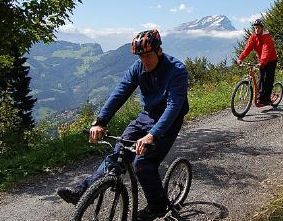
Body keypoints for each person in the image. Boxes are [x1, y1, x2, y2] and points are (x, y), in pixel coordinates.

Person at [56, 29, 189, 221]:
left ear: (159, 51)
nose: (145, 61)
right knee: (118, 153)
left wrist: (152, 135)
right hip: (147, 115)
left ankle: (157, 207)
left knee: (143, 164)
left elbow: (174, 106)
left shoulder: (177, 70)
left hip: (168, 121)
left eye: (148, 55)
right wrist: (100, 121)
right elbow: (120, 92)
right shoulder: (139, 67)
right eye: (140, 56)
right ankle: (82, 192)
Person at [236, 19, 278, 105]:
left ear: (262, 28)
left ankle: (267, 99)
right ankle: (260, 98)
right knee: (261, 79)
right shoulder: (253, 37)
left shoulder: (267, 38)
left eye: (258, 28)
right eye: (255, 28)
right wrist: (240, 58)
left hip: (271, 60)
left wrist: (262, 62)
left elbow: (266, 51)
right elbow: (247, 49)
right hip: (262, 60)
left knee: (268, 79)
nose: (257, 29)